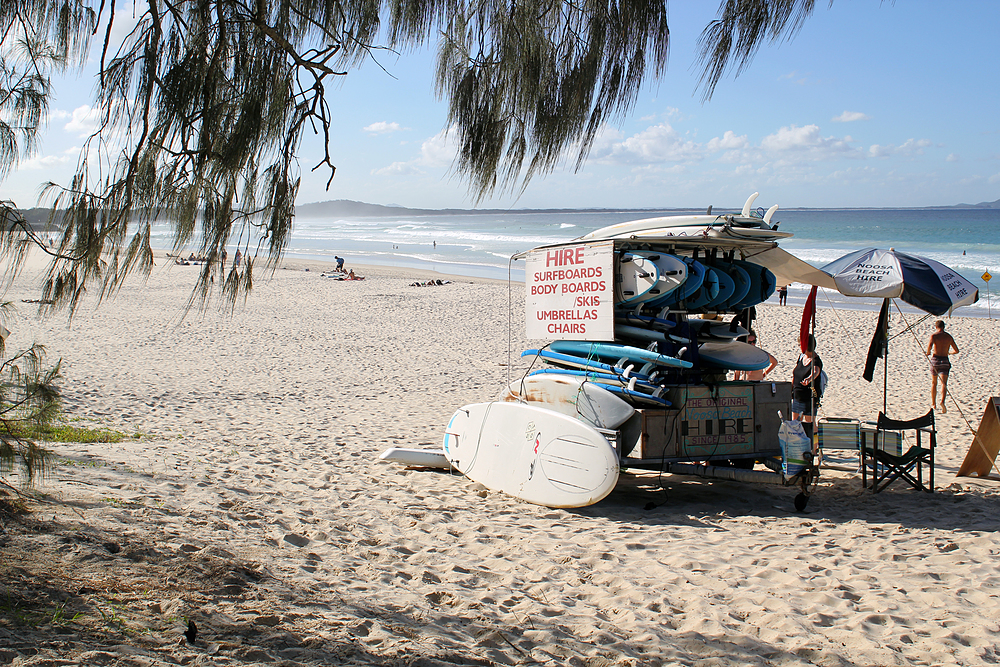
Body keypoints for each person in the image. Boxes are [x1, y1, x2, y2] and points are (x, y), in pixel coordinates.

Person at [791, 334, 823, 443]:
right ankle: (797, 445)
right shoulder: (801, 357)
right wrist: (791, 389)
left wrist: (809, 379)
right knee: (795, 422)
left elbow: (815, 372)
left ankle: (815, 446)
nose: (799, 346)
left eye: (800, 345)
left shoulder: (816, 360)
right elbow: (795, 374)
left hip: (809, 396)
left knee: (810, 422)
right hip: (797, 395)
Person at [926, 320, 959, 413]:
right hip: (945, 360)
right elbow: (956, 350)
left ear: (936, 327)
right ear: (944, 327)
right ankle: (942, 402)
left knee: (934, 383)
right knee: (944, 383)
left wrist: (928, 352)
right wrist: (949, 352)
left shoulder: (934, 336)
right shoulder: (949, 337)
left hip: (935, 360)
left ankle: (933, 403)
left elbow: (929, 347)